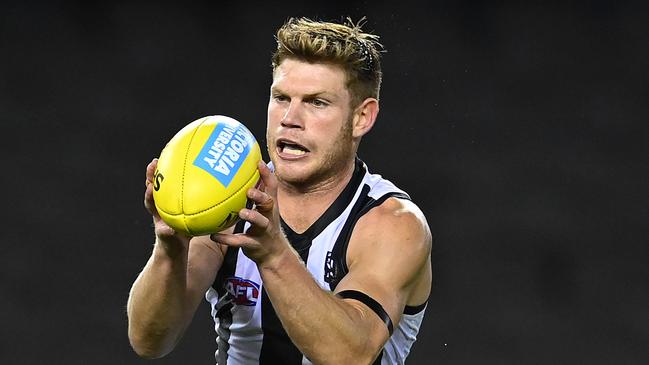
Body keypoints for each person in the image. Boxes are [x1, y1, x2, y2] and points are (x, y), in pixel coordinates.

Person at [127, 17, 432, 365]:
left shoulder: (392, 224)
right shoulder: (228, 199)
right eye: (281, 97)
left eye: (316, 102)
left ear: (362, 117)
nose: (290, 117)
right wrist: (170, 247)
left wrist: (274, 255)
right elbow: (149, 340)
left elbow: (351, 354)